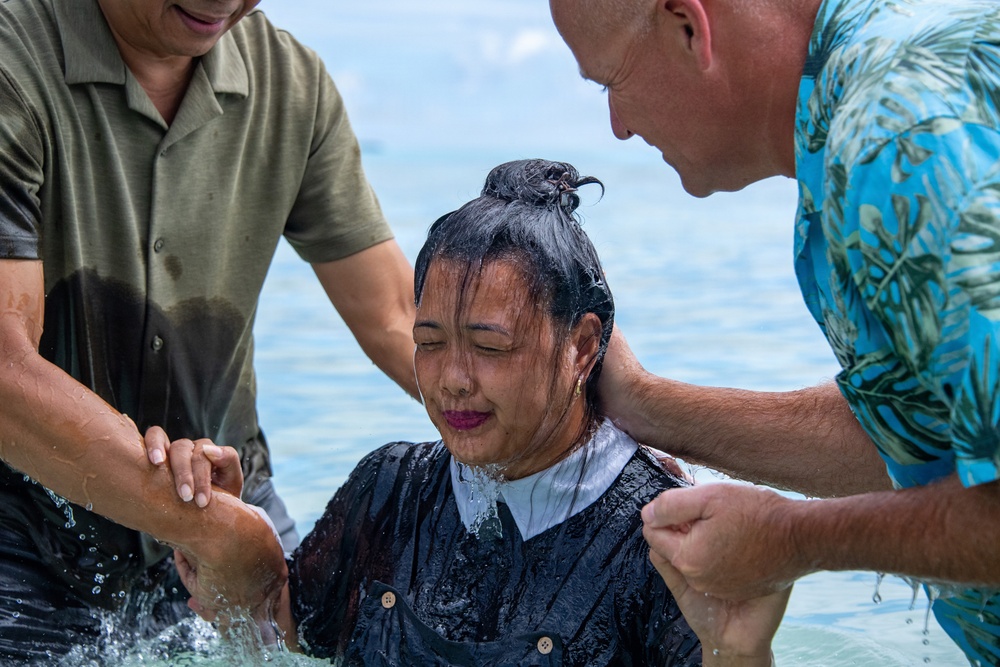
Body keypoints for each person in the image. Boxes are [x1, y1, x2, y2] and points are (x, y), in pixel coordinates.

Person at [162, 159, 791, 666]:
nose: (453, 381)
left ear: (581, 347)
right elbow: (278, 633)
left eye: (491, 347)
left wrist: (739, 654)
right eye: (430, 343)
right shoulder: (387, 490)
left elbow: (725, 647)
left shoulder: (659, 540)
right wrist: (221, 529)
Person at [547, 0, 1000, 664]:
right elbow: (937, 434)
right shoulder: (875, 90)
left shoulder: (895, 139)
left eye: (612, 80)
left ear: (687, 27)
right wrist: (644, 404)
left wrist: (793, 540)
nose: (616, 127)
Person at [0, 0, 416, 661]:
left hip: (228, 488)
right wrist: (220, 531)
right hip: (26, 528)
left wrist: (587, 403)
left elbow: (400, 319)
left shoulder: (293, 84)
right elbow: (5, 375)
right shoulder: (12, 52)